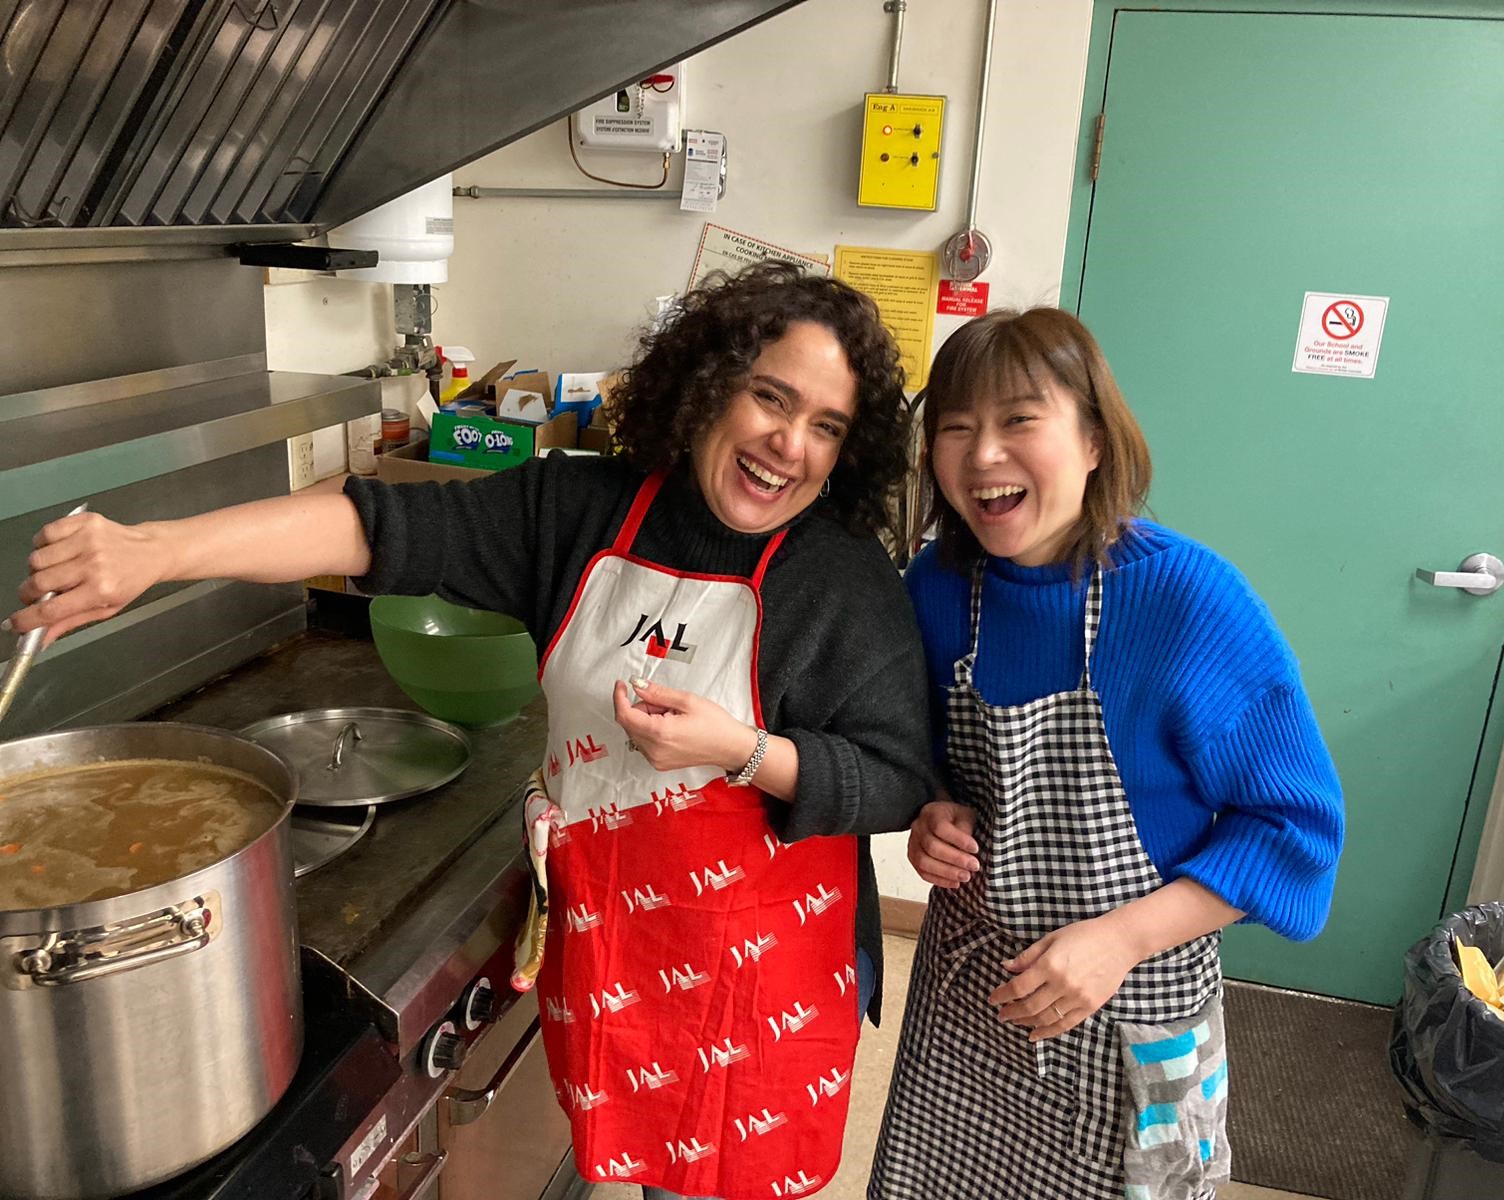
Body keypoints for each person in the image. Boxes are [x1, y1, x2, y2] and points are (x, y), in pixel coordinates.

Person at [10, 263, 934, 1200]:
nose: (789, 445)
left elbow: (897, 776)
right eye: (770, 397)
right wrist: (160, 552)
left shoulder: (840, 579)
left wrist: (739, 750)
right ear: (710, 385)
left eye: (827, 426)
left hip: (760, 980)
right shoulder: (583, 509)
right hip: (623, 941)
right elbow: (375, 529)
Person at [869, 307, 1344, 1200]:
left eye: (1019, 420)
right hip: (972, 999)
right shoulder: (935, 585)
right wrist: (929, 811)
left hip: (1135, 999)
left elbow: (1295, 830)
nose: (982, 456)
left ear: (1093, 439)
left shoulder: (1186, 598)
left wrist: (1119, 939)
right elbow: (914, 755)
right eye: (956, 429)